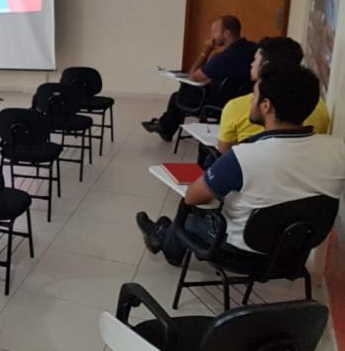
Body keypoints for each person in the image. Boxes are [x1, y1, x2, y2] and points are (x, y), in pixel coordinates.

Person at [136, 66, 345, 265]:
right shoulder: (338, 150)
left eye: (254, 96)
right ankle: (164, 234)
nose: (251, 101)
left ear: (266, 105)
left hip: (241, 249)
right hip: (297, 250)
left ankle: (166, 242)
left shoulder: (244, 156)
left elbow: (193, 197)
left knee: (189, 216)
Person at [142, 16, 257, 141]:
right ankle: (164, 125)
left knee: (178, 96)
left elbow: (193, 76)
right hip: (246, 102)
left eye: (214, 32)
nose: (211, 36)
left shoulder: (223, 58)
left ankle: (165, 129)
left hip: (218, 104)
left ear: (226, 33)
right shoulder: (254, 49)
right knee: (184, 94)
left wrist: (206, 50)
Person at [217, 36, 329, 154]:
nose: (251, 64)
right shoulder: (320, 107)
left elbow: (224, 151)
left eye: (255, 60)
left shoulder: (235, 107)